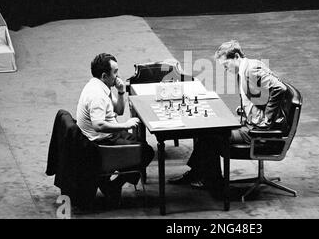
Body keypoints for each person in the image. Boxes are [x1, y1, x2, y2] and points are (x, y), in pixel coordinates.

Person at [169, 40, 291, 191]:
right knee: (205, 132)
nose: (225, 69)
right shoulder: (246, 68)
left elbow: (280, 88)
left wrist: (267, 119)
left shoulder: (252, 69)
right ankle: (197, 173)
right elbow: (259, 93)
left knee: (210, 136)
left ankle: (213, 182)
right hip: (249, 123)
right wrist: (249, 107)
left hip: (257, 132)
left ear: (236, 56)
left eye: (226, 65)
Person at [77, 53, 155, 206]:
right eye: (115, 72)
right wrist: (125, 125)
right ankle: (114, 185)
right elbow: (98, 125)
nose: (118, 75)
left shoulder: (100, 85)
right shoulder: (97, 95)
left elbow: (118, 110)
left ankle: (111, 181)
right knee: (146, 152)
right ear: (105, 75)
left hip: (110, 134)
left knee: (141, 144)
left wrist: (120, 91)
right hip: (103, 142)